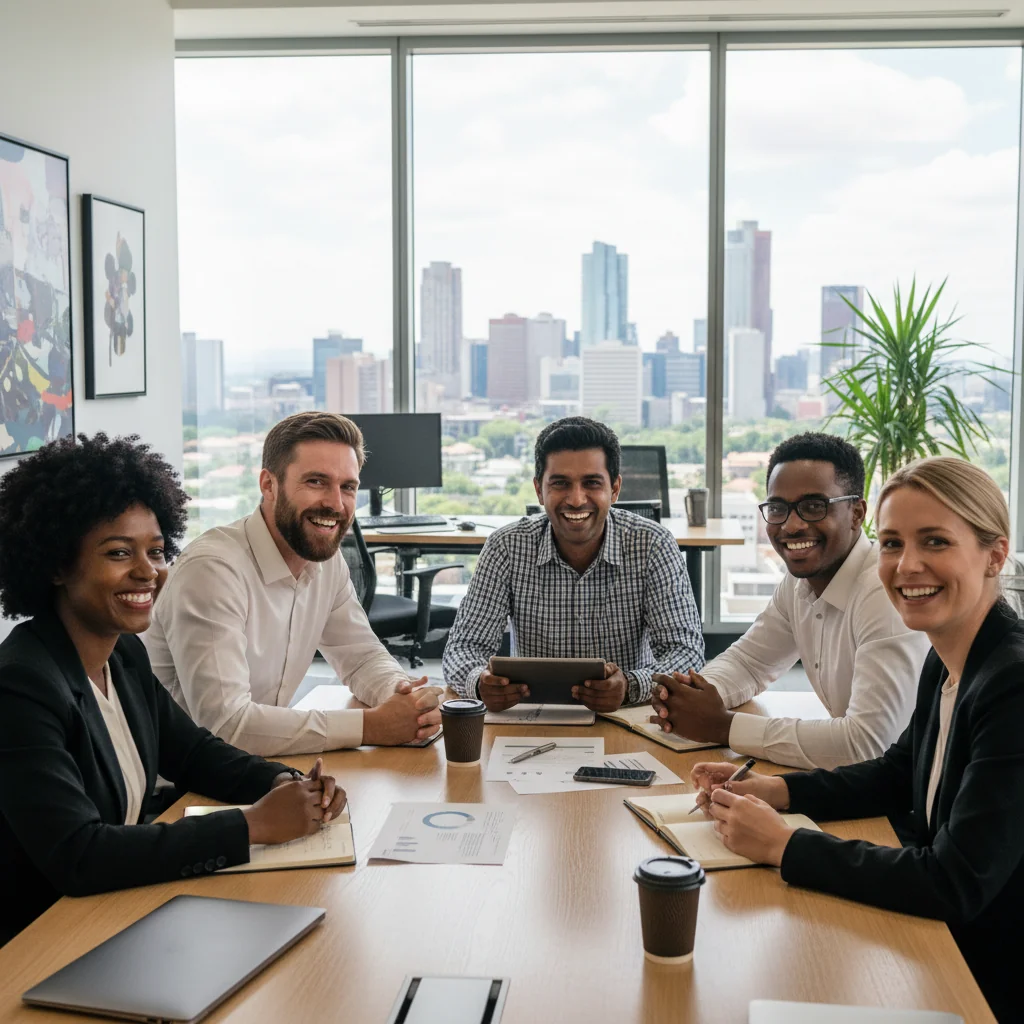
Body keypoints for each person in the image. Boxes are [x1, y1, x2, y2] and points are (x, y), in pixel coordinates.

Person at [690, 457, 1023, 1022]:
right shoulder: (951, 658)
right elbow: (896, 773)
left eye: (935, 541)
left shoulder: (1012, 684)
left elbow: (953, 882)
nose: (905, 565)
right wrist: (780, 793)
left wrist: (784, 845)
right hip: (941, 945)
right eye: (892, 544)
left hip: (984, 977)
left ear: (995, 554)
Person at [0, 433, 346, 946]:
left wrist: (281, 783)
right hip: (41, 939)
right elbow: (79, 855)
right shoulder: (21, 686)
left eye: (157, 551)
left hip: (117, 913)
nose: (149, 572)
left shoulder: (121, 653)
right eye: (119, 553)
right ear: (56, 565)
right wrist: (250, 826)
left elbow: (195, 752)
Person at [144, 412, 441, 757]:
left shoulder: (325, 561)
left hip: (251, 767)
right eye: (316, 482)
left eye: (348, 487)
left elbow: (360, 658)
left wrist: (403, 697)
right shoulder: (213, 570)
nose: (335, 503)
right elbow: (224, 725)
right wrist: (371, 726)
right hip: (176, 786)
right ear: (269, 485)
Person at [650, 433, 929, 769]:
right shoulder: (800, 585)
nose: (792, 525)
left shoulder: (882, 593)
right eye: (778, 508)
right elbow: (750, 662)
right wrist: (689, 696)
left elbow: (868, 743)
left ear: (856, 514)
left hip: (909, 801)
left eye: (813, 507)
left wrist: (724, 727)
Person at [443, 416, 703, 712]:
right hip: (532, 717)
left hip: (627, 715)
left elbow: (686, 654)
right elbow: (464, 647)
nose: (577, 500)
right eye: (560, 483)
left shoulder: (653, 545)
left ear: (615, 489)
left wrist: (631, 686)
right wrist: (479, 682)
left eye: (592, 483)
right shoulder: (506, 547)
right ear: (539, 490)